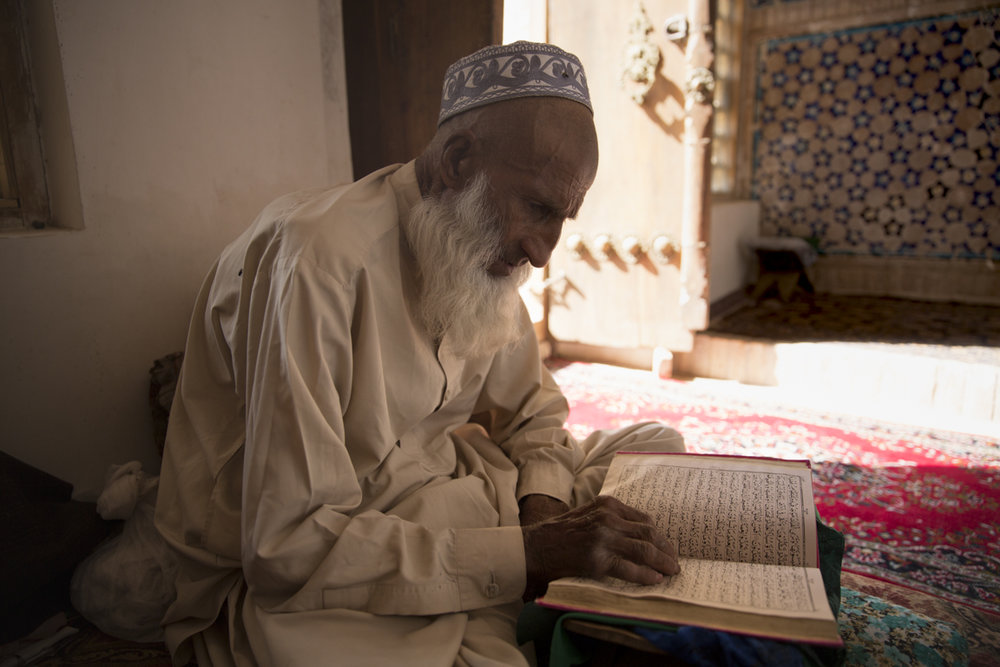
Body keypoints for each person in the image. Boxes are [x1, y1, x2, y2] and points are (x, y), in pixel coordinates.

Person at [155, 41, 685, 666]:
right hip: (311, 560)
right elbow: (284, 550)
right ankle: (508, 605)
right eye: (538, 208)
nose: (543, 252)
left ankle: (512, 596)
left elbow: (533, 414)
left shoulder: (479, 250)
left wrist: (541, 517)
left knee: (658, 448)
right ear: (458, 161)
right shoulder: (319, 262)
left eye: (561, 219)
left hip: (447, 491)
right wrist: (532, 556)